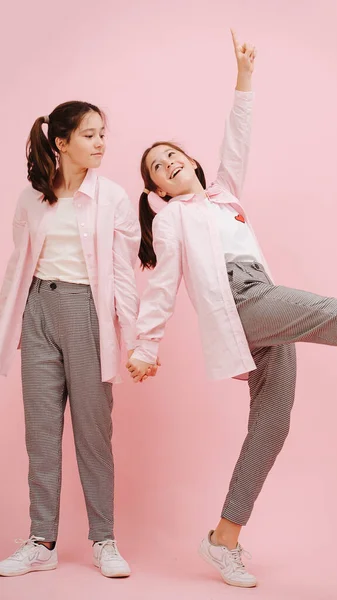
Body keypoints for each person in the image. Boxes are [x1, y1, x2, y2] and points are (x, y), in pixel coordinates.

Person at [127, 31, 337, 588]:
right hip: (243, 304)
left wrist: (244, 79)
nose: (170, 163)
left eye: (174, 154)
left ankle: (222, 539)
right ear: (156, 188)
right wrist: (144, 346)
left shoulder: (225, 196)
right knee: (333, 312)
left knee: (271, 426)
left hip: (263, 305)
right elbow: (160, 290)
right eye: (159, 166)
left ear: (193, 161)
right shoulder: (171, 220)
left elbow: (238, 141)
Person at [0, 100, 147, 578]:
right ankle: (41, 541)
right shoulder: (30, 198)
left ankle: (103, 540)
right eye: (89, 135)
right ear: (60, 143)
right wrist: (9, 324)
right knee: (40, 435)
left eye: (103, 133)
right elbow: (16, 267)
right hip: (37, 311)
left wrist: (139, 340)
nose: (100, 142)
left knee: (93, 433)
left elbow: (123, 274)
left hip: (88, 314)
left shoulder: (113, 198)